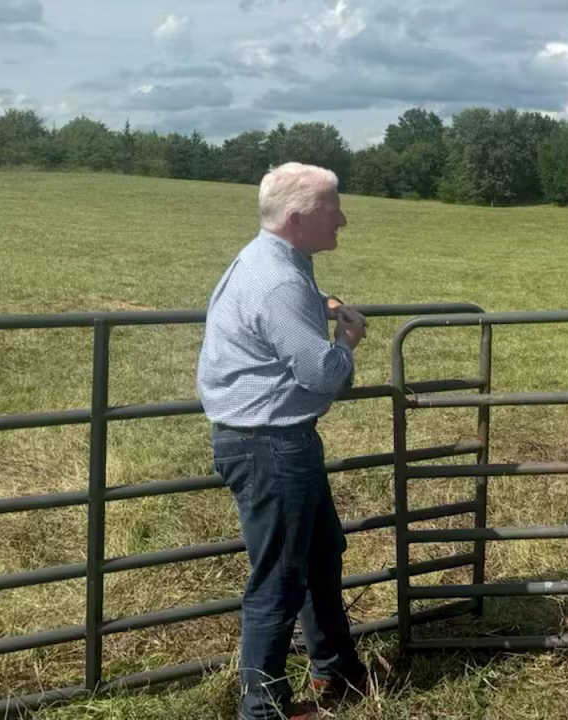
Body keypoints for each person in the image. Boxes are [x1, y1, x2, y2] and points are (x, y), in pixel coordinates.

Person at [196, 161, 370, 720]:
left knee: (321, 555)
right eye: (332, 209)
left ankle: (337, 672)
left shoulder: (271, 262)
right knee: (280, 576)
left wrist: (312, 304)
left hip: (271, 439)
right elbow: (320, 374)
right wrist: (347, 340)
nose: (342, 219)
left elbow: (275, 317)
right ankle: (263, 707)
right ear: (298, 219)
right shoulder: (280, 280)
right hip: (269, 443)